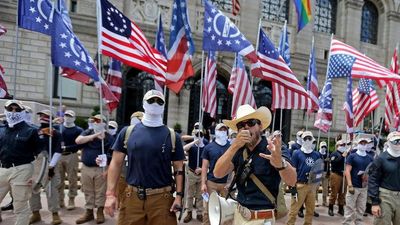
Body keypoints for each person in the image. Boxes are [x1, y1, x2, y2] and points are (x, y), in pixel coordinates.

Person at [104, 90, 185, 225]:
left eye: (159, 101)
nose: (155, 104)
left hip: (162, 200)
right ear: (143, 104)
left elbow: (179, 169)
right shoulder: (128, 132)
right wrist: (110, 194)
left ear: (164, 106)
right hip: (132, 198)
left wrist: (179, 197)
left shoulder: (172, 136)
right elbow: (115, 164)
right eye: (151, 101)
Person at [214, 104, 296, 225]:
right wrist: (234, 146)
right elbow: (218, 173)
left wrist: (280, 164)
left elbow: (292, 181)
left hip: (262, 218)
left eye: (251, 123)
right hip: (239, 216)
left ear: (260, 126)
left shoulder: (273, 148)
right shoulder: (237, 149)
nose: (246, 128)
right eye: (241, 125)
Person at [0, 100, 40, 225]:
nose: (13, 112)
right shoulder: (1, 129)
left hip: (22, 169)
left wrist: (36, 177)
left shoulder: (31, 131)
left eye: (17, 109)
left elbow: (40, 155)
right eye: (10, 109)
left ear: (22, 112)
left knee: (20, 205)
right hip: (2, 169)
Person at [75, 114, 115, 224]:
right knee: (88, 191)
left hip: (100, 169)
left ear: (104, 123)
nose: (96, 123)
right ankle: (89, 212)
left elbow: (112, 154)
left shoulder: (109, 137)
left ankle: (100, 211)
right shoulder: (88, 132)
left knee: (100, 191)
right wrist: (95, 135)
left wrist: (107, 164)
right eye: (95, 121)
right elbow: (78, 141)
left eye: (99, 121)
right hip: (87, 167)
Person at [29, 109, 63, 225]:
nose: (42, 117)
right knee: (32, 188)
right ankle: (35, 212)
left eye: (45, 115)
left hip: (50, 161)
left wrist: (52, 166)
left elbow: (59, 150)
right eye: (41, 115)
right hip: (36, 163)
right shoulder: (34, 131)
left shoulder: (56, 133)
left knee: (51, 189)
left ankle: (55, 214)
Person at [286, 131, 321, 225]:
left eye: (309, 138)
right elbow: (293, 170)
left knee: (310, 210)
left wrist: (317, 181)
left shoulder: (316, 154)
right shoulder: (296, 153)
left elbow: (319, 170)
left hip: (312, 186)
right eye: (305, 138)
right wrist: (292, 185)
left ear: (312, 139)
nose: (308, 140)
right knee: (294, 211)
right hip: (300, 185)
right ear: (302, 139)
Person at [201, 123, 231, 225]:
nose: (222, 132)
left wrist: (231, 182)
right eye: (220, 129)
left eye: (224, 130)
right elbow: (204, 167)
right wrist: (203, 183)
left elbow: (235, 166)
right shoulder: (209, 147)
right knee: (208, 210)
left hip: (225, 184)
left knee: (227, 211)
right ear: (216, 131)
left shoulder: (231, 147)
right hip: (211, 183)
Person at [368, 131, 400, 225]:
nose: (398, 143)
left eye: (399, 141)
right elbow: (373, 180)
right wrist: (374, 203)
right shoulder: (381, 159)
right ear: (389, 142)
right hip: (385, 197)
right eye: (395, 141)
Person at [342, 136, 373, 225]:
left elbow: (372, 171)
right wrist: (350, 185)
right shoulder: (352, 156)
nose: (363, 145)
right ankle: (347, 223)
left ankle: (359, 222)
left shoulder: (370, 157)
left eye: (365, 143)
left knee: (361, 208)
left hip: (363, 187)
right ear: (357, 144)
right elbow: (347, 171)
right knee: (350, 207)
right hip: (354, 186)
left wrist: (368, 176)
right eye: (361, 143)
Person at [57, 110, 83, 210]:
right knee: (59, 178)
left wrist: (68, 148)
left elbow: (80, 144)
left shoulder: (78, 130)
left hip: (72, 155)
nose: (68, 117)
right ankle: (60, 199)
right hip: (59, 155)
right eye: (66, 115)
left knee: (72, 178)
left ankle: (71, 198)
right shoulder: (58, 127)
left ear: (74, 118)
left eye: (70, 116)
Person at [183, 129, 208, 223]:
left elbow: (209, 162)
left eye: (201, 135)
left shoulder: (206, 147)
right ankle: (189, 212)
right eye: (197, 135)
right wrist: (194, 140)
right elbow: (184, 149)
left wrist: (202, 169)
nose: (199, 137)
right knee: (190, 195)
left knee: (200, 195)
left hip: (201, 174)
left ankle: (199, 213)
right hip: (191, 173)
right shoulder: (192, 146)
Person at [328, 139, 348, 216]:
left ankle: (341, 208)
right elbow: (334, 162)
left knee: (343, 193)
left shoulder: (346, 154)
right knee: (334, 192)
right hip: (336, 174)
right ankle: (331, 208)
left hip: (344, 175)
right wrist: (342, 157)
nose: (343, 146)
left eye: (344, 145)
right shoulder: (334, 154)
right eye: (341, 145)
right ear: (337, 146)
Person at [318, 141, 329, 207]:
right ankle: (315, 200)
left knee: (325, 188)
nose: (323, 148)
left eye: (325, 147)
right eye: (322, 147)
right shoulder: (317, 154)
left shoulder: (327, 154)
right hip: (318, 172)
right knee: (316, 187)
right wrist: (324, 160)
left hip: (325, 172)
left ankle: (324, 201)